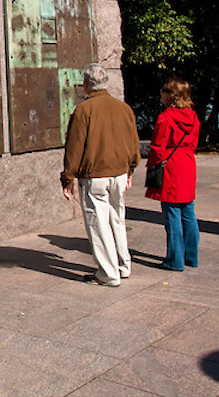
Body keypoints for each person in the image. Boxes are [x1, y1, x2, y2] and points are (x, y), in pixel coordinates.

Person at [61, 64, 140, 287]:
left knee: (98, 223)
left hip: (95, 176)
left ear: (86, 84)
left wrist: (68, 178)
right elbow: (134, 143)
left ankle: (108, 273)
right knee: (117, 218)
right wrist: (130, 169)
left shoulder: (83, 111)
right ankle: (124, 265)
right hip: (119, 173)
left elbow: (74, 148)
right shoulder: (124, 109)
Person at [145, 77, 201, 271]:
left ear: (171, 95)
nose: (161, 93)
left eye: (164, 90)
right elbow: (193, 143)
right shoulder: (193, 116)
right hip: (187, 163)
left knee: (172, 213)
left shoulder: (166, 117)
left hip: (171, 165)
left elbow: (157, 147)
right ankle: (190, 256)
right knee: (188, 211)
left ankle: (174, 260)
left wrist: (152, 166)